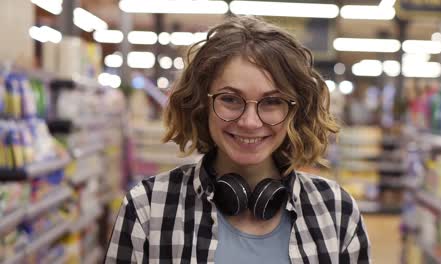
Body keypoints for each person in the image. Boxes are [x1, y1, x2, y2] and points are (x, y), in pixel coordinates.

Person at [105, 16, 371, 263]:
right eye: (230, 99)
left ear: (295, 110)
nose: (250, 122)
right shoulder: (149, 207)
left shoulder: (336, 211)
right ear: (201, 104)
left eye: (272, 102)